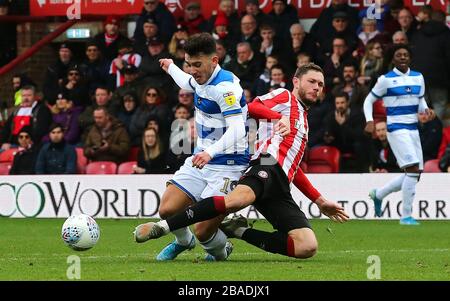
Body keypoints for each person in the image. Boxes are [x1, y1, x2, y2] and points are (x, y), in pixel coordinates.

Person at [133, 63, 349, 259]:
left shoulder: (304, 120)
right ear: (296, 81)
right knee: (235, 201)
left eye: (320, 84)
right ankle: (163, 227)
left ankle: (236, 230)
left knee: (307, 247)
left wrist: (319, 200)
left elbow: (292, 168)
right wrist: (277, 117)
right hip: (265, 165)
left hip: (280, 184)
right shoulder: (286, 98)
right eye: (311, 81)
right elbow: (251, 107)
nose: (317, 87)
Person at [145, 33, 249, 262]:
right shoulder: (201, 78)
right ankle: (184, 241)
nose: (192, 70)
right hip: (201, 160)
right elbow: (186, 82)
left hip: (228, 165)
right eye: (188, 64)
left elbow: (239, 129)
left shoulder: (225, 88)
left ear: (214, 60)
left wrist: (210, 152)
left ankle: (222, 250)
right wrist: (171, 67)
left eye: (197, 65)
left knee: (204, 231)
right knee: (167, 210)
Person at [363, 44, 436, 225]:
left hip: (413, 128)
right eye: (399, 55)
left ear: (409, 58)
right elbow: (368, 100)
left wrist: (426, 110)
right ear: (393, 59)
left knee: (416, 173)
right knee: (411, 169)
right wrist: (369, 120)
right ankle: (406, 216)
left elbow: (420, 100)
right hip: (396, 128)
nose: (403, 57)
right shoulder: (385, 80)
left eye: (405, 54)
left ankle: (378, 194)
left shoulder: (418, 77)